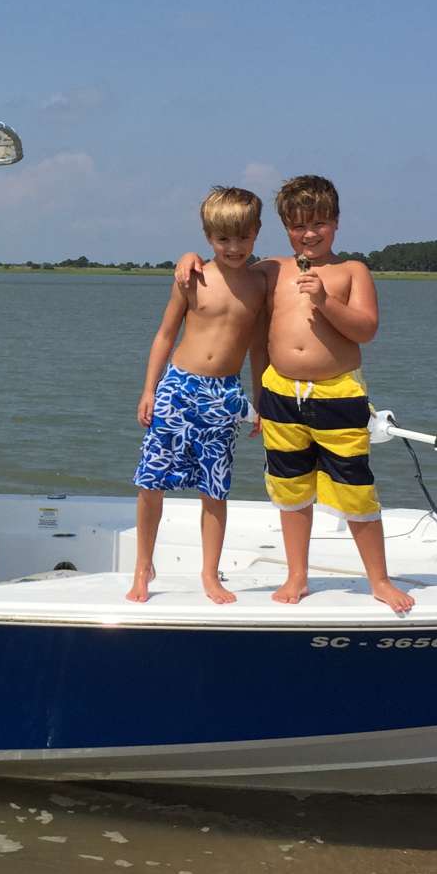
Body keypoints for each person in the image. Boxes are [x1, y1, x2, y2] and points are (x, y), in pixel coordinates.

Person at [176, 175, 413, 614]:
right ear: (285, 227)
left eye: (319, 224)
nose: (309, 234)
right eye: (299, 226)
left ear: (337, 223)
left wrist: (326, 301)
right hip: (281, 394)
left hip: (338, 394)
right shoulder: (271, 270)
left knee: (356, 489)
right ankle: (297, 574)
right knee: (290, 490)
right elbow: (228, 272)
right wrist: (190, 256)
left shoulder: (352, 271)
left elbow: (366, 330)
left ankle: (378, 579)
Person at [125, 186, 268, 605]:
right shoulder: (192, 276)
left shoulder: (261, 284)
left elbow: (258, 350)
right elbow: (165, 334)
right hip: (178, 388)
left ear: (257, 233)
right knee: (151, 482)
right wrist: (148, 389)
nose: (234, 247)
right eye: (223, 239)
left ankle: (209, 573)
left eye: (243, 237)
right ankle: (143, 567)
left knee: (216, 489)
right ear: (209, 237)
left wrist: (259, 403)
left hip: (224, 395)